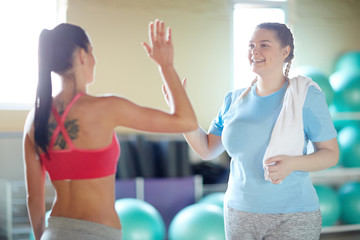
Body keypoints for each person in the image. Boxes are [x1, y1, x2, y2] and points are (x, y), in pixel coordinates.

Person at [23, 20, 197, 240]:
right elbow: (186, 122)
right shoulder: (106, 108)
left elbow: (33, 198)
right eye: (92, 52)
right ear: (82, 56)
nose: (95, 60)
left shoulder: (34, 119)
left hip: (54, 232)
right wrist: (166, 66)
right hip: (98, 233)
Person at [179, 22, 339, 239]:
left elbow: (330, 154)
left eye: (264, 45)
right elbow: (207, 149)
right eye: (251, 45)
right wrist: (182, 114)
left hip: (293, 216)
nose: (254, 51)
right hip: (239, 213)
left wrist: (293, 163)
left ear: (285, 52)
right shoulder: (233, 100)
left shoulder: (306, 96)